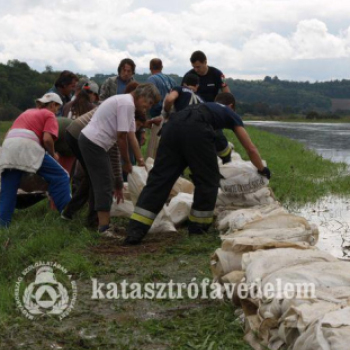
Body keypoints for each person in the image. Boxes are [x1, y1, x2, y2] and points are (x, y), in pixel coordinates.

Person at [125, 92, 271, 245]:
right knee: (208, 180)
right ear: (231, 107)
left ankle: (135, 230)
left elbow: (219, 141)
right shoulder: (230, 114)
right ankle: (198, 227)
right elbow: (250, 148)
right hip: (195, 131)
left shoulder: (204, 107)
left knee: (160, 180)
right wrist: (262, 169)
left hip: (171, 128)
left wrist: (226, 156)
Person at [78, 84, 161, 237]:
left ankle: (100, 223)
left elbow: (131, 136)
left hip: (95, 143)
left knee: (103, 181)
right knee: (104, 183)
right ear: (142, 96)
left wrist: (140, 160)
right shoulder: (127, 104)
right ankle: (103, 228)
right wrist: (127, 163)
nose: (147, 108)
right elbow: (121, 137)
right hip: (93, 142)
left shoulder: (127, 104)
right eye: (148, 103)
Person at [0, 93, 71, 228]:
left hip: (8, 146)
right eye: (57, 107)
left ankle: (3, 225)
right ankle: (67, 215)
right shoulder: (49, 115)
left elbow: (10, 131)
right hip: (28, 146)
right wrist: (53, 154)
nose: (57, 111)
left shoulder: (26, 112)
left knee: (8, 188)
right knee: (60, 176)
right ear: (52, 105)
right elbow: (47, 139)